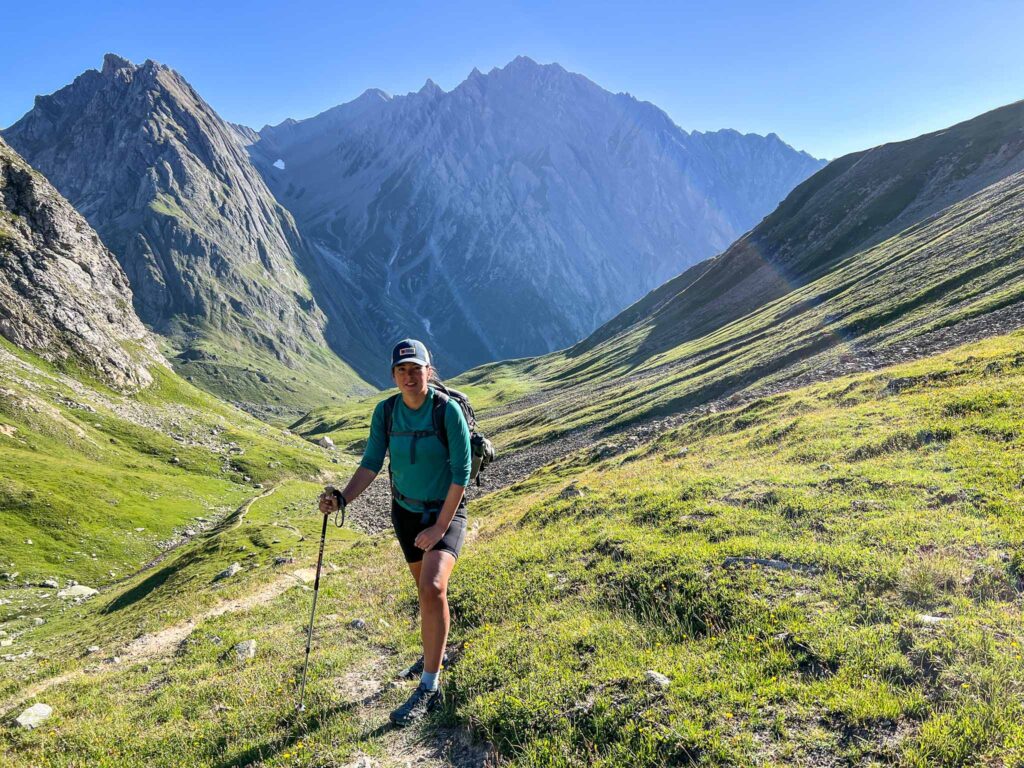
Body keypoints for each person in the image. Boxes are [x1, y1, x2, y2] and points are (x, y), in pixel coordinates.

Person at [318, 338, 471, 726]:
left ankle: (430, 686)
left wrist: (439, 527)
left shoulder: (447, 412)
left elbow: (461, 475)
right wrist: (343, 498)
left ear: (428, 372)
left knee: (433, 587)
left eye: (415, 369)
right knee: (425, 592)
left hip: (444, 512)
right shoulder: (386, 413)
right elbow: (371, 462)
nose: (408, 376)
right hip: (405, 513)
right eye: (401, 370)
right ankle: (434, 652)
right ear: (392, 375)